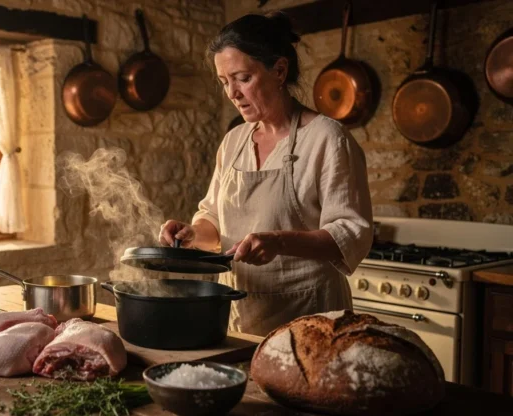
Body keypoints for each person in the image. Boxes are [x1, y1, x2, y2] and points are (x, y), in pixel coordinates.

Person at [158, 12, 374, 337]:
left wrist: (279, 241)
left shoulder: (328, 139)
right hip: (239, 314)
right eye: (224, 82)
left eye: (242, 78)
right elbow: (214, 219)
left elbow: (350, 232)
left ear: (279, 71)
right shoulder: (233, 142)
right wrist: (191, 233)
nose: (232, 93)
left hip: (310, 316)